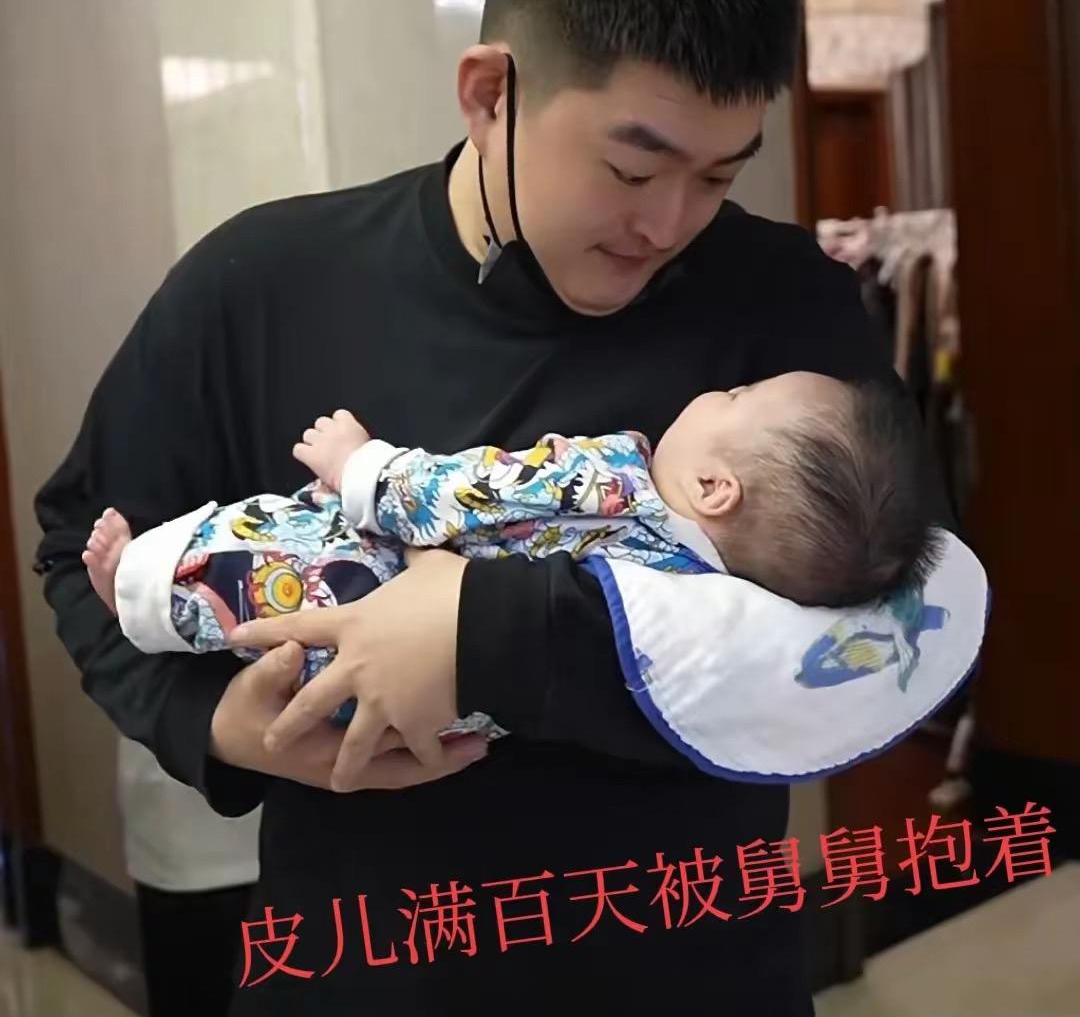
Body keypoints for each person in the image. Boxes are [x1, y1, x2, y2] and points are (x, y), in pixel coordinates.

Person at [34, 0, 966, 1017]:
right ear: (490, 92)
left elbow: (895, 636)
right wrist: (220, 727)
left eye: (720, 175)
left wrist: (484, 633)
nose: (671, 224)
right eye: (634, 166)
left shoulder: (788, 329)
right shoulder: (264, 284)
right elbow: (77, 549)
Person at [81, 375, 942, 741]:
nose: (720, 388)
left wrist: (364, 466)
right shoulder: (694, 604)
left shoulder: (613, 480)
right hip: (437, 715)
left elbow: (473, 490)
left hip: (374, 586)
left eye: (739, 395)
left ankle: (143, 590)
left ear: (716, 487)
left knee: (280, 553)